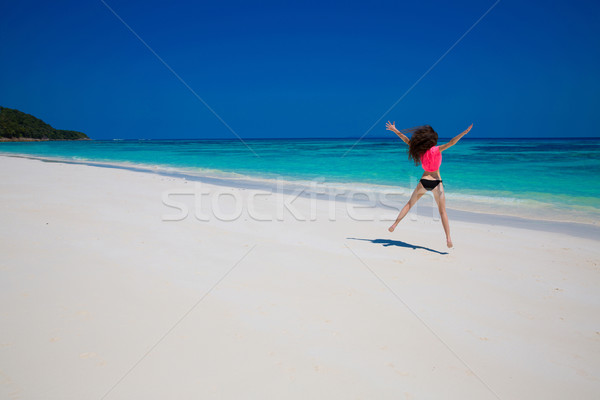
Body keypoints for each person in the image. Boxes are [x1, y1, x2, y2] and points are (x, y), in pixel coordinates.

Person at [385, 121, 473, 248]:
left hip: (424, 181)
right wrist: (464, 133)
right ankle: (448, 238)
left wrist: (395, 130)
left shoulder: (420, 150)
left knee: (410, 204)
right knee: (442, 212)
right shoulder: (437, 149)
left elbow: (406, 140)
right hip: (437, 183)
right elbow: (452, 142)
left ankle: (394, 224)